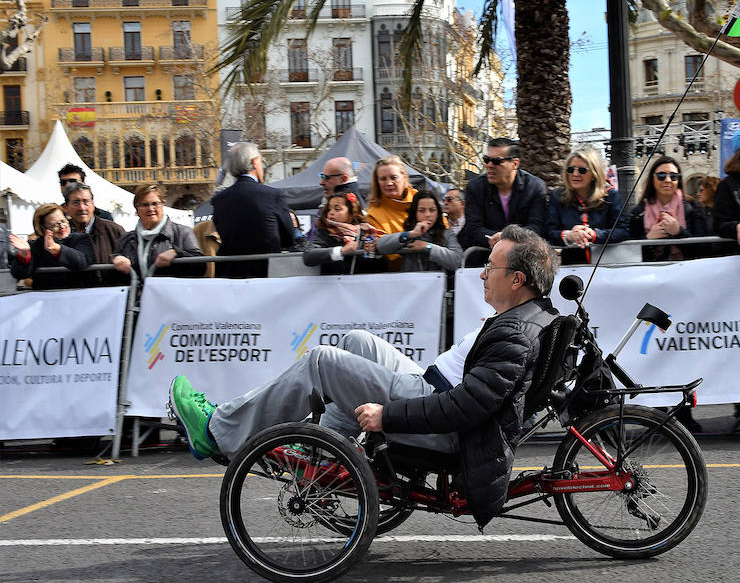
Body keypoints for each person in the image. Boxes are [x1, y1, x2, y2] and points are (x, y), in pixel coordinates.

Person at [168, 225, 560, 526]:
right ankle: (324, 457)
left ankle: (218, 429)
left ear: (517, 280)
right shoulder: (525, 315)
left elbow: (468, 406)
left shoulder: (514, 334)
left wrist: (386, 417)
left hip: (437, 411)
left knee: (322, 361)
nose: (482, 274)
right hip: (430, 383)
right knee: (358, 341)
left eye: (491, 267)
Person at [212, 142, 295, 278]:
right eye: (261, 161)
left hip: (231, 276)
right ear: (255, 162)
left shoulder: (219, 200)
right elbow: (288, 238)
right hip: (266, 275)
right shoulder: (273, 195)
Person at [458, 138, 547, 251]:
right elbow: (473, 228)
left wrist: (509, 237)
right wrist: (497, 239)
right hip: (485, 254)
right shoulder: (475, 188)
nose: (489, 165)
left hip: (524, 253)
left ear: (515, 163)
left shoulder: (535, 187)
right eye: (486, 160)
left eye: (496, 161)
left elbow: (536, 227)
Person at [545, 147, 627, 265]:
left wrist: (594, 234)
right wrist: (568, 235)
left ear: (594, 174)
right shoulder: (557, 196)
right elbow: (548, 232)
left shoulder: (610, 195)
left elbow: (622, 231)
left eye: (582, 170)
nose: (575, 174)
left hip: (605, 266)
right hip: (572, 266)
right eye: (571, 169)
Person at [112, 184, 205, 279]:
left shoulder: (183, 232)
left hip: (171, 292)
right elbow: (111, 277)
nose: (150, 208)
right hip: (137, 293)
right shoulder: (126, 239)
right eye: (145, 204)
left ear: (162, 204)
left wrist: (178, 253)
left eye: (155, 203)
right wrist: (116, 261)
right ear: (137, 209)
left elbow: (201, 267)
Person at [628, 156, 708, 262]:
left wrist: (678, 232)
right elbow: (631, 253)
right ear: (653, 179)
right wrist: (649, 239)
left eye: (673, 176)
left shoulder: (693, 208)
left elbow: (704, 250)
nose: (668, 180)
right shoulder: (638, 212)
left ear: (678, 180)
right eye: (661, 176)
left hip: (686, 271)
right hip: (650, 273)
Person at [8, 203, 95, 290]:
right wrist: (24, 255)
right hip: (47, 297)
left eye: (63, 221)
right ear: (42, 228)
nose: (62, 226)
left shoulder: (81, 239)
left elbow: (82, 261)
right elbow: (19, 274)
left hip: (78, 294)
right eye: (55, 225)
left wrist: (57, 249)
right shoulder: (35, 246)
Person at [376, 189, 463, 272]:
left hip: (437, 284)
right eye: (422, 210)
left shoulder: (447, 233)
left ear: (437, 213)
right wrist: (410, 234)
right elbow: (380, 246)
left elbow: (456, 260)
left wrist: (428, 247)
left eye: (432, 210)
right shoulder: (408, 234)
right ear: (415, 213)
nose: (427, 215)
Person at [62, 182, 126, 285]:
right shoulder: (61, 234)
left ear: (93, 204)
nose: (82, 207)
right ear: (66, 207)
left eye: (86, 201)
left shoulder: (114, 231)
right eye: (76, 202)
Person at [302, 192, 378, 275]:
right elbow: (308, 256)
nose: (331, 213)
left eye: (337, 209)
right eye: (329, 209)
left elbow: (372, 264)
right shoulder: (325, 232)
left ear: (352, 213)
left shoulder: (364, 232)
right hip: (332, 285)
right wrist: (341, 251)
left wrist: (370, 244)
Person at [365, 155, 418, 270]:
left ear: (404, 177)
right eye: (383, 179)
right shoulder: (372, 214)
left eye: (393, 177)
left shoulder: (423, 201)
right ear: (377, 182)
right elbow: (378, 249)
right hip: (395, 275)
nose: (389, 183)